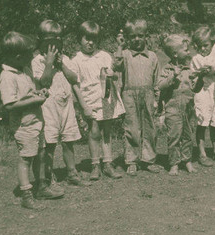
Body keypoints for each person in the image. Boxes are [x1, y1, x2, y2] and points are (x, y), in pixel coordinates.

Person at [0, 31, 64, 209]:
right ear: (18, 57)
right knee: (26, 158)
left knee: (40, 154)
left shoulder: (24, 70)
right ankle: (26, 194)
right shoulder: (7, 76)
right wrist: (34, 100)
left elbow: (27, 92)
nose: (31, 57)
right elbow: (10, 105)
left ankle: (41, 185)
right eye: (29, 55)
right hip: (23, 125)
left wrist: (36, 93)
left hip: (36, 121)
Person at [32, 20, 88, 187]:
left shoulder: (64, 59)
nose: (53, 46)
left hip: (66, 105)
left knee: (68, 140)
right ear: (40, 41)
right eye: (49, 41)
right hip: (48, 107)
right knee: (49, 143)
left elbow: (73, 78)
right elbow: (44, 82)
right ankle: (48, 176)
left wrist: (60, 64)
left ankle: (72, 172)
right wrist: (49, 63)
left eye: (57, 40)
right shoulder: (38, 61)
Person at [72, 21, 125, 181]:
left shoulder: (104, 56)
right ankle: (95, 164)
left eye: (93, 39)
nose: (90, 42)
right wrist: (83, 105)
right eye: (86, 38)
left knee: (107, 132)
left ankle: (107, 163)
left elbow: (116, 74)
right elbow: (75, 85)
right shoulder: (77, 60)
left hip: (106, 100)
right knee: (94, 132)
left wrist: (112, 75)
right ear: (79, 39)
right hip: (90, 101)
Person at [113, 19, 162, 176]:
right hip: (129, 94)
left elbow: (157, 80)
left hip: (148, 94)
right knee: (132, 129)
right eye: (132, 36)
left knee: (150, 128)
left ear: (146, 36)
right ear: (128, 38)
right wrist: (120, 47)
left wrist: (157, 98)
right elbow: (117, 66)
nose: (136, 39)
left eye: (140, 36)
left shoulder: (153, 56)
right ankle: (132, 160)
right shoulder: (125, 55)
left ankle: (149, 159)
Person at [157, 34, 200, 176]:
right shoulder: (166, 69)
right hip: (173, 108)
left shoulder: (188, 69)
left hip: (188, 108)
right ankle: (174, 163)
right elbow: (160, 86)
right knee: (174, 136)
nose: (189, 53)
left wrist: (201, 78)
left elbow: (195, 88)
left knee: (187, 135)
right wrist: (173, 76)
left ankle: (187, 160)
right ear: (175, 54)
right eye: (186, 50)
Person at [190, 26, 215, 167]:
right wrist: (200, 73)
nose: (203, 49)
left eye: (206, 45)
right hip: (203, 93)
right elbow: (193, 76)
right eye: (199, 46)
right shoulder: (196, 59)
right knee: (202, 122)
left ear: (212, 44)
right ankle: (202, 153)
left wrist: (212, 70)